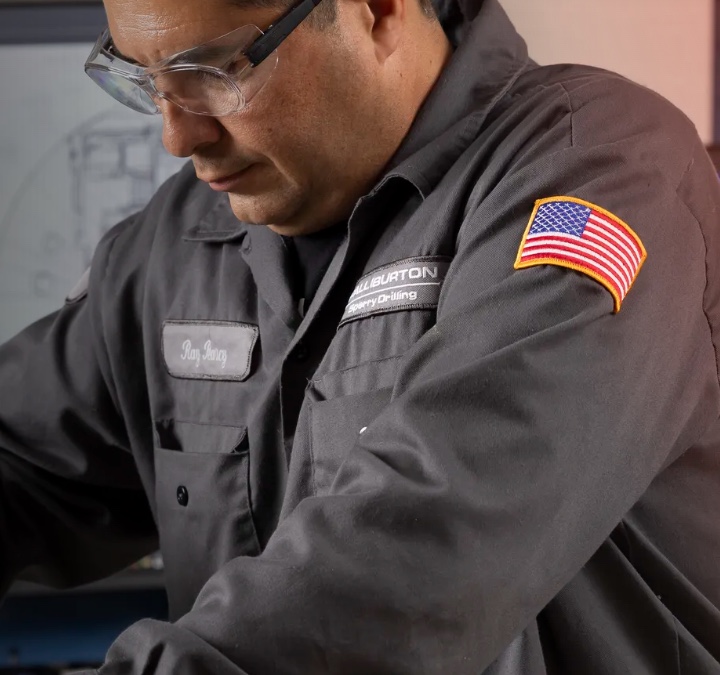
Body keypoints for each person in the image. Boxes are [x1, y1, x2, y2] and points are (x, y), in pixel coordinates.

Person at [1, 0, 719, 669]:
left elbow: (425, 552)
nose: (177, 135)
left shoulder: (598, 174)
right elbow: (21, 456)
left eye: (215, 72)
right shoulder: (179, 245)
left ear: (376, 9)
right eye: (147, 81)